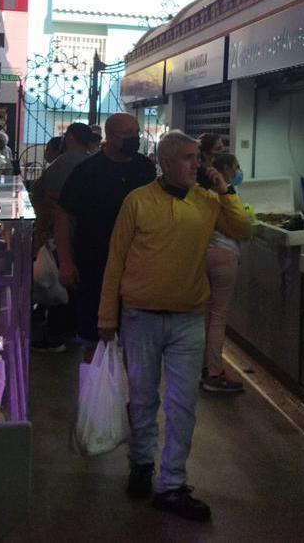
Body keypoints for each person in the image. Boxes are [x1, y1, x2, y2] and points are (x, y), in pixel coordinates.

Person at [98, 130, 253, 522]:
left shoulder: (206, 202)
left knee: (183, 405)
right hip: (140, 317)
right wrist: (106, 318)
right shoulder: (137, 202)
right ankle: (141, 464)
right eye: (188, 158)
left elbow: (244, 230)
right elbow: (115, 261)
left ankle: (172, 483)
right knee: (144, 398)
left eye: (198, 158)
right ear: (165, 162)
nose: (197, 164)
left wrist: (225, 189)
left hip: (187, 319)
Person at [55, 114, 156, 343]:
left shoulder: (145, 168)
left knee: (137, 340)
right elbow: (63, 215)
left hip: (137, 268)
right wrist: (66, 262)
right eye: (126, 135)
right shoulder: (87, 171)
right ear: (109, 137)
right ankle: (95, 378)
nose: (134, 139)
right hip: (93, 266)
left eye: (136, 133)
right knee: (95, 337)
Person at [29, 124, 95, 351]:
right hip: (83, 233)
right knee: (74, 282)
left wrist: (43, 231)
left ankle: (56, 334)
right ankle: (71, 329)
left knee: (59, 281)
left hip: (61, 232)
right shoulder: (91, 161)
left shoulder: (64, 163)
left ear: (70, 138)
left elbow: (51, 199)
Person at [199, 153, 249, 393]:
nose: (239, 170)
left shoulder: (201, 193)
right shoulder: (224, 194)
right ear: (226, 168)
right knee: (218, 317)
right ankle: (214, 372)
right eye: (236, 166)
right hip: (225, 257)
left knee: (207, 315)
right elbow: (243, 229)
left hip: (205, 255)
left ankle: (204, 364)